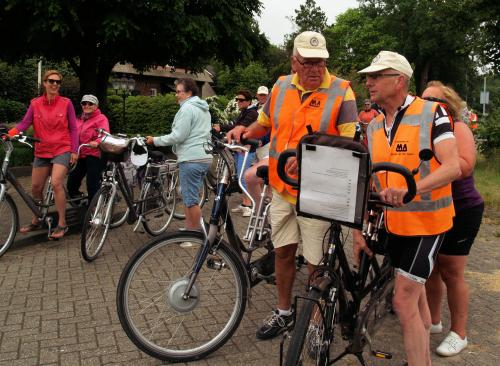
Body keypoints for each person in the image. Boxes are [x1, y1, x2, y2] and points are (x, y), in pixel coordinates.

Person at [227, 31, 358, 340]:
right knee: (283, 254)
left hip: (318, 193)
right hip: (282, 188)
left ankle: (315, 322)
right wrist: (244, 130)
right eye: (308, 62)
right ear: (294, 61)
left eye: (320, 62)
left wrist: (311, 154)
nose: (315, 69)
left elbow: (350, 141)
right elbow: (265, 124)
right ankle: (284, 312)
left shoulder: (342, 91)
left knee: (316, 264)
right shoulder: (281, 85)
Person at [354, 51, 461, 366]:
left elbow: (453, 166)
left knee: (402, 301)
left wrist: (411, 189)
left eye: (375, 76)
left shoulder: (433, 112)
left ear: (398, 80)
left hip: (428, 224)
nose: (368, 82)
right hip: (394, 224)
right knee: (415, 300)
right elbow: (373, 182)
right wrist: (362, 225)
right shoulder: (373, 126)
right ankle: (422, 354)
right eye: (367, 77)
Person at [422, 81, 484, 357]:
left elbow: (465, 166)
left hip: (463, 208)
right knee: (431, 268)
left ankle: (459, 333)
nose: (430, 106)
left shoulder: (458, 129)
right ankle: (434, 320)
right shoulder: (421, 130)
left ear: (450, 106)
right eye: (424, 100)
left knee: (452, 271)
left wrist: (434, 166)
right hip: (433, 208)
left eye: (436, 102)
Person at [8, 70, 78, 239]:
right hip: (42, 150)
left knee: (56, 183)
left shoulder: (66, 103)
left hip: (62, 148)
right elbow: (24, 123)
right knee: (36, 188)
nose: (55, 84)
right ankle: (37, 218)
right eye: (51, 81)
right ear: (44, 83)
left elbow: (74, 128)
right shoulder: (35, 103)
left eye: (58, 82)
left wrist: (74, 150)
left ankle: (62, 224)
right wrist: (8, 134)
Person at [146, 78, 212, 230]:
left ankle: (195, 235)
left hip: (191, 158)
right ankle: (190, 230)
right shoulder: (203, 108)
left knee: (190, 200)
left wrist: (155, 140)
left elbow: (178, 136)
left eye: (179, 92)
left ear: (189, 92)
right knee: (190, 198)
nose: (176, 95)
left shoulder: (187, 109)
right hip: (204, 156)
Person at [66, 94, 110, 203]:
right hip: (80, 154)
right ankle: (79, 200)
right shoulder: (78, 119)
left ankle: (93, 209)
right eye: (84, 103)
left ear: (96, 106)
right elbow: (72, 133)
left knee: (92, 183)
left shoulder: (101, 118)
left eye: (90, 103)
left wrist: (97, 142)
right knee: (72, 182)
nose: (87, 105)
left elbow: (105, 134)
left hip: (94, 154)